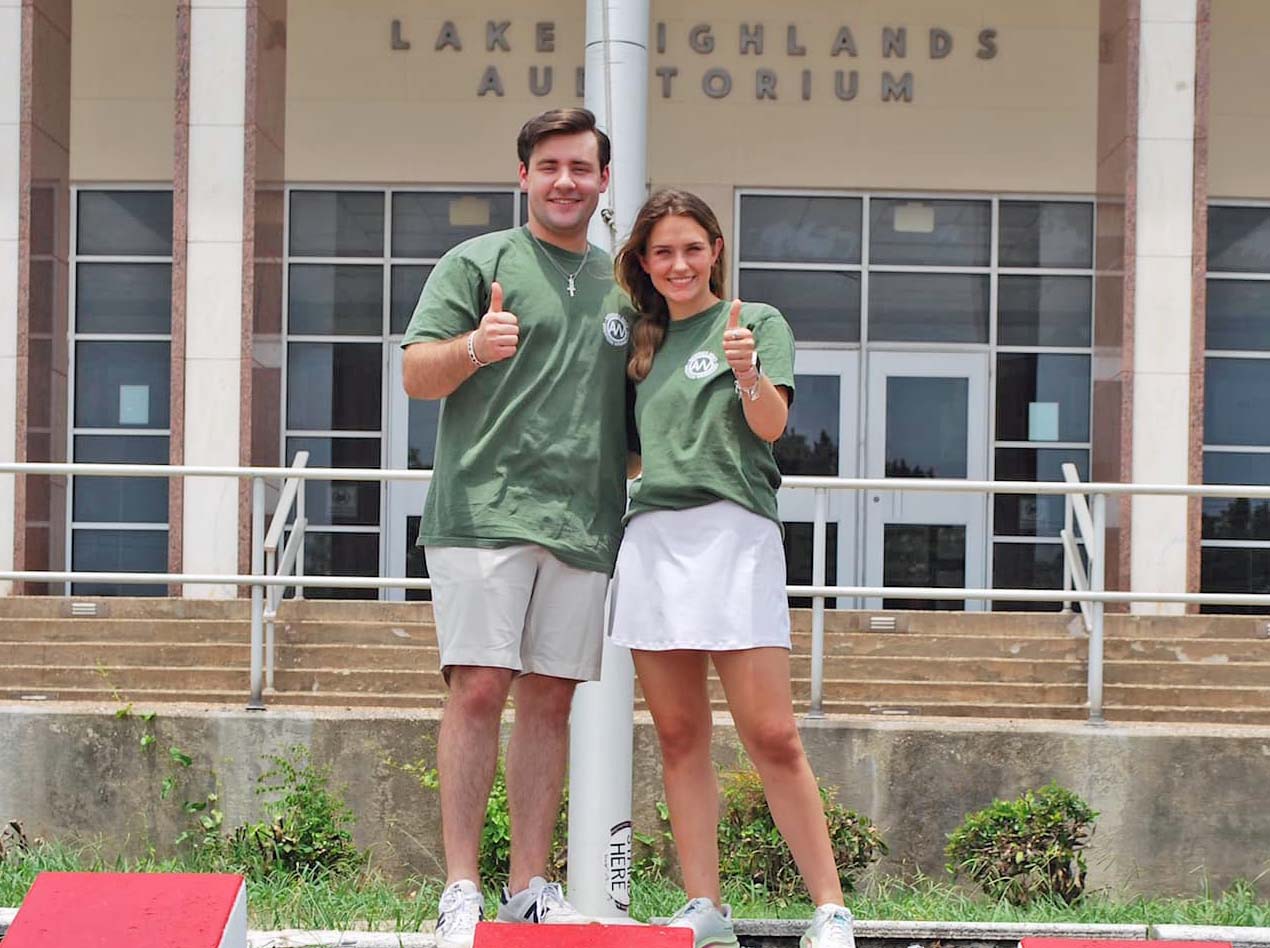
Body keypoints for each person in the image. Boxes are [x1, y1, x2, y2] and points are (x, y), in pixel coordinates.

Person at [400, 108, 632, 948]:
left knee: (550, 701)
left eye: (581, 167)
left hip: (581, 524)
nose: (566, 181)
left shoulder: (625, 287)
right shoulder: (477, 262)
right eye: (550, 166)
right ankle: (460, 887)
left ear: (603, 180)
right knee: (479, 688)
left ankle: (529, 889)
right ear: (524, 175)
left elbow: (638, 419)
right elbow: (415, 374)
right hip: (483, 514)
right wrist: (475, 347)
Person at [609, 189, 858, 948]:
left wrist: (747, 373)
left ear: (715, 249)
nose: (679, 264)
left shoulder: (756, 324)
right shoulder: (638, 344)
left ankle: (830, 908)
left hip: (736, 536)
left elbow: (771, 426)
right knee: (679, 735)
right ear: (644, 261)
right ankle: (705, 906)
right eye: (662, 251)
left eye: (692, 248)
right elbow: (629, 454)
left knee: (772, 733)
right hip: (654, 541)